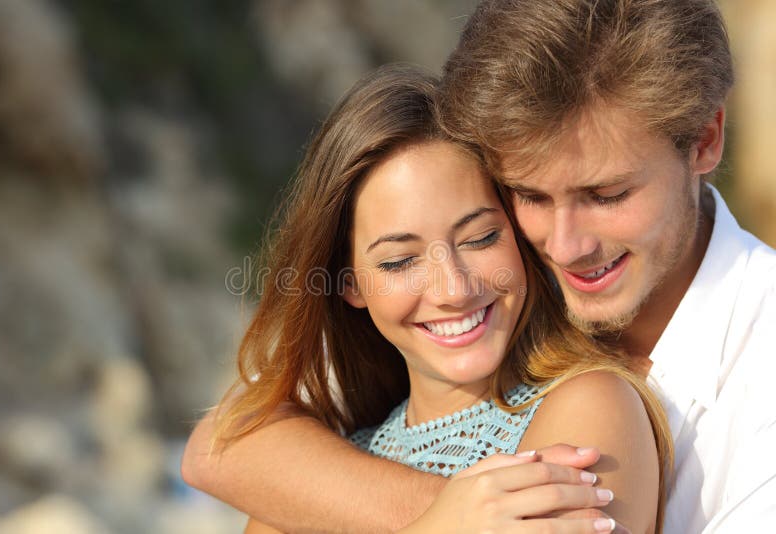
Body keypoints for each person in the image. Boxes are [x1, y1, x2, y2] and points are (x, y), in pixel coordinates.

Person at [183, 0, 776, 532]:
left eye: (607, 195)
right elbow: (221, 445)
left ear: (704, 140)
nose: (565, 247)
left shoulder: (753, 370)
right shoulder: (509, 288)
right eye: (530, 196)